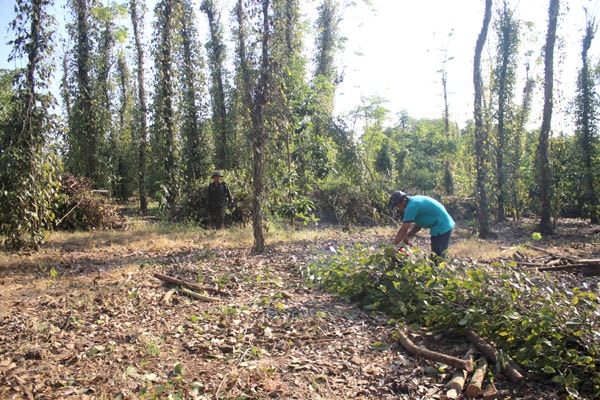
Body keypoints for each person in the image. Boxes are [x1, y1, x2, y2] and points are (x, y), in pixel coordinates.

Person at [388, 190, 455, 261]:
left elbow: (403, 229)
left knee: (438, 257)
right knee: (435, 254)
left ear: (404, 200)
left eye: (398, 206)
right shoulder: (413, 201)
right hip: (440, 225)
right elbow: (418, 225)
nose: (398, 208)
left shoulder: (411, 206)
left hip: (442, 226)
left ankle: (437, 270)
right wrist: (408, 236)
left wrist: (392, 247)